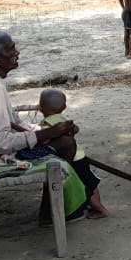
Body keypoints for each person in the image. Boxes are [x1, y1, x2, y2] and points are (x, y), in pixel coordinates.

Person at [0, 31, 98, 221]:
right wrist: (49, 133)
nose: (17, 52)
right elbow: (1, 143)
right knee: (67, 144)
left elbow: (13, 122)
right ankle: (51, 214)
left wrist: (47, 132)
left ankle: (64, 206)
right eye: (11, 49)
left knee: (62, 139)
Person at [24, 87, 109, 219]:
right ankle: (98, 208)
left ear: (41, 107)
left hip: (71, 158)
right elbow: (75, 129)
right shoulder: (63, 118)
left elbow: (44, 140)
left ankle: (100, 209)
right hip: (80, 156)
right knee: (90, 183)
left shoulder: (47, 124)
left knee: (83, 186)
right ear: (64, 107)